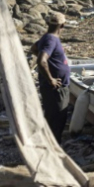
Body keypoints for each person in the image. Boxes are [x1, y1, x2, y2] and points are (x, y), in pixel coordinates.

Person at [31, 13, 70, 143]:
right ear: (62, 25)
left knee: (53, 118)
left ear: (48, 24)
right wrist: (51, 79)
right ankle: (53, 149)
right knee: (57, 120)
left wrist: (52, 64)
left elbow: (34, 48)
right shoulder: (51, 39)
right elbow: (41, 61)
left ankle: (50, 146)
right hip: (55, 89)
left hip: (53, 88)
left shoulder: (47, 38)